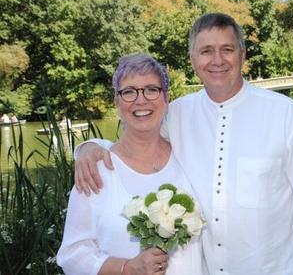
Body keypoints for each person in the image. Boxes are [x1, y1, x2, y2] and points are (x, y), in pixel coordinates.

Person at [74, 13, 293, 274]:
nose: (217, 60)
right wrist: (90, 147)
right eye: (206, 51)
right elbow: (137, 137)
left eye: (227, 49)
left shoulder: (288, 117)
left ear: (242, 55)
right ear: (193, 60)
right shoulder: (176, 115)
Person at [57, 54, 207, 275]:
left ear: (166, 98)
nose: (141, 100)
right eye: (129, 92)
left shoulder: (189, 157)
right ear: (117, 103)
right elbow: (73, 255)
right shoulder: (97, 171)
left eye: (151, 89)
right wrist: (127, 268)